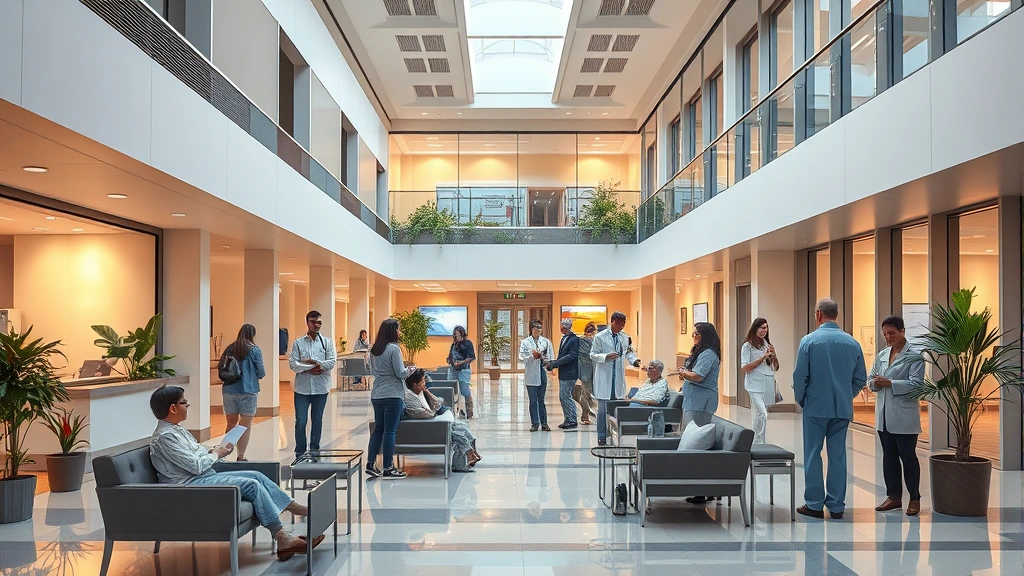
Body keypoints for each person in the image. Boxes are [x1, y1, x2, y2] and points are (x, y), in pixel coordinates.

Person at [148, 385, 321, 560]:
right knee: (251, 485)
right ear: (173, 408)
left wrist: (214, 450)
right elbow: (195, 465)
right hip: (188, 485)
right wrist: (216, 454)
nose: (188, 405)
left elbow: (197, 452)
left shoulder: (177, 430)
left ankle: (292, 507)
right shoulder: (165, 437)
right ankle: (283, 538)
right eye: (184, 402)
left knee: (256, 475)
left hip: (201, 477)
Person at [793, 298, 867, 520]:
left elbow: (800, 377)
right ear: (836, 314)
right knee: (838, 456)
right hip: (841, 409)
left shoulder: (809, 341)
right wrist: (846, 395)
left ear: (818, 315)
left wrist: (802, 399)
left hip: (816, 407)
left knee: (813, 454)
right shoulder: (852, 343)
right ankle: (836, 506)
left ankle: (814, 504)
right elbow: (860, 378)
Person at [869, 315, 924, 517]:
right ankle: (893, 497)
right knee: (889, 457)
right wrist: (874, 384)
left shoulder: (915, 356)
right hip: (884, 415)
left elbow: (918, 385)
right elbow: (871, 377)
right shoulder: (882, 354)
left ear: (902, 331)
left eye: (891, 333)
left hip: (904, 416)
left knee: (908, 457)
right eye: (885, 334)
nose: (887, 337)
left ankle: (915, 498)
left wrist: (891, 383)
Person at [403, 368, 482, 472]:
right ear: (415, 384)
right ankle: (468, 454)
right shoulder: (410, 397)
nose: (425, 383)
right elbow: (423, 414)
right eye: (422, 382)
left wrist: (427, 392)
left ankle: (470, 452)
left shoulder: (421, 392)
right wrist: (434, 413)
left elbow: (439, 404)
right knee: (457, 433)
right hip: (425, 429)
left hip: (432, 424)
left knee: (462, 427)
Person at [288, 311, 337, 463]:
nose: (316, 325)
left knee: (317, 420)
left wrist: (316, 363)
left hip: (321, 388)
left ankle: (315, 451)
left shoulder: (327, 342)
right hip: (302, 389)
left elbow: (332, 362)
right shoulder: (298, 343)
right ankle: (300, 453)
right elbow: (293, 364)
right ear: (307, 322)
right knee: (301, 421)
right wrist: (310, 368)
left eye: (319, 322)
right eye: (313, 321)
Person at [366, 318, 411, 479]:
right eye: (398, 329)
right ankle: (388, 467)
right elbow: (400, 373)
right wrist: (410, 369)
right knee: (390, 430)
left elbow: (373, 371)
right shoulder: (394, 349)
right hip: (392, 394)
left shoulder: (374, 350)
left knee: (378, 429)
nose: (400, 332)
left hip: (377, 394)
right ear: (392, 331)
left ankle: (370, 463)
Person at [220, 323, 265, 461]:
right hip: (248, 390)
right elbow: (261, 372)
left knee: (231, 424)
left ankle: (222, 454)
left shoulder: (229, 348)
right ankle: (240, 456)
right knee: (245, 426)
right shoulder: (254, 350)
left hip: (229, 390)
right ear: (253, 335)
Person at [590, 311, 632, 446]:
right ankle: (602, 436)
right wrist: (605, 356)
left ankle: (616, 436)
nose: (622, 327)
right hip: (604, 378)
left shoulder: (624, 337)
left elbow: (628, 352)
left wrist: (635, 361)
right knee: (602, 410)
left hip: (617, 379)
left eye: (624, 324)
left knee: (616, 409)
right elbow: (592, 354)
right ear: (613, 322)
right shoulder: (600, 337)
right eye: (620, 323)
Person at [741, 318, 780, 444]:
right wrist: (762, 357)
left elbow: (776, 367)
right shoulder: (747, 346)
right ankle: (760, 443)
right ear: (755, 328)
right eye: (761, 327)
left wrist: (773, 355)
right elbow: (746, 367)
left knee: (758, 414)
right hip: (754, 384)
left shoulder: (767, 345)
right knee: (763, 413)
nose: (764, 330)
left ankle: (757, 441)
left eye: (766, 327)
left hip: (767, 383)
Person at [675, 322, 722, 427]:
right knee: (687, 430)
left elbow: (697, 376)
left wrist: (684, 373)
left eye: (697, 334)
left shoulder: (708, 353)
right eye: (693, 334)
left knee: (695, 432)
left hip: (701, 401)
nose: (694, 336)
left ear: (705, 336)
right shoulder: (700, 352)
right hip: (693, 399)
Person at [545, 318, 580, 430]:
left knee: (566, 396)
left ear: (565, 328)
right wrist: (554, 363)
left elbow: (572, 355)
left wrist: (555, 364)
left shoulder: (574, 340)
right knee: (563, 397)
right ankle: (568, 418)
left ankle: (572, 420)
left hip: (570, 372)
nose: (560, 328)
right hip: (564, 372)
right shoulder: (565, 338)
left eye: (562, 327)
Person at [519, 319, 553, 432]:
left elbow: (550, 357)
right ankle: (535, 423)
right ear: (532, 329)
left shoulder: (546, 342)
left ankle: (544, 423)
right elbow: (522, 357)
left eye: (540, 327)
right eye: (536, 327)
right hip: (531, 373)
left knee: (541, 400)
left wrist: (544, 359)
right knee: (533, 400)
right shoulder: (525, 342)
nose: (538, 329)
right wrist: (532, 356)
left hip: (541, 372)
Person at [446, 325, 477, 419]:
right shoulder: (454, 344)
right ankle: (456, 412)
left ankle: (469, 413)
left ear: (463, 334)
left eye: (459, 335)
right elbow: (450, 356)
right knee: (453, 390)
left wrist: (461, 362)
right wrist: (450, 360)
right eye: (456, 335)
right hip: (453, 370)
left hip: (464, 370)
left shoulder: (468, 343)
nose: (458, 337)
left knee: (465, 390)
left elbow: (472, 357)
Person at [573, 322, 597, 424]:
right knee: (585, 392)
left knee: (586, 392)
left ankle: (586, 413)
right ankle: (585, 414)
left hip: (587, 370)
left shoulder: (580, 340)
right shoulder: (588, 341)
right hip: (587, 370)